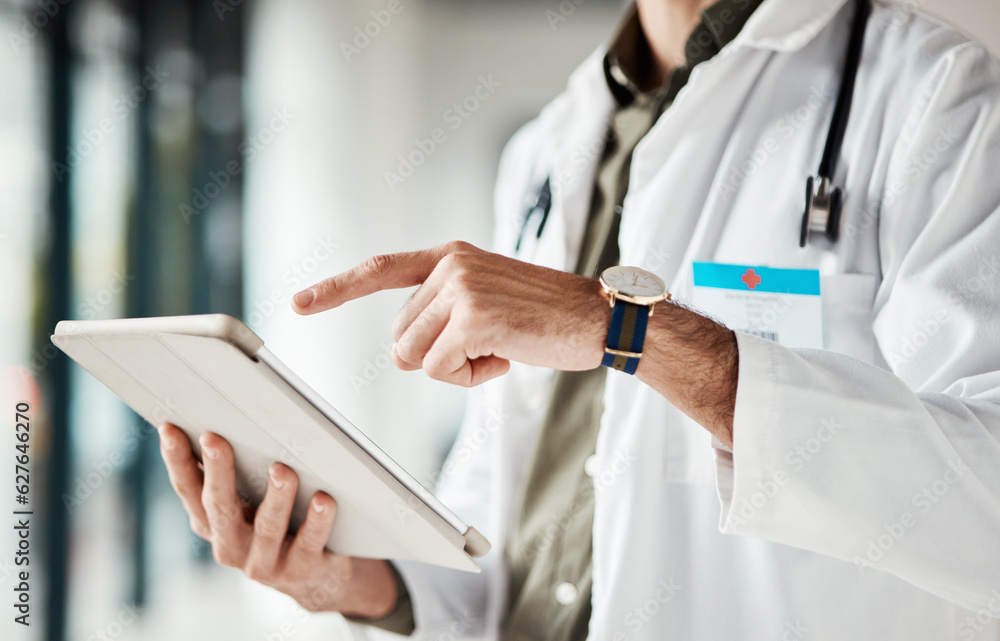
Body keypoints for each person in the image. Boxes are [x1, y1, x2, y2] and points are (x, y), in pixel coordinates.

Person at [158, 0, 1000, 638]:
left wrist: (622, 326)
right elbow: (499, 532)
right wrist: (357, 578)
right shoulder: (547, 147)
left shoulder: (933, 97)